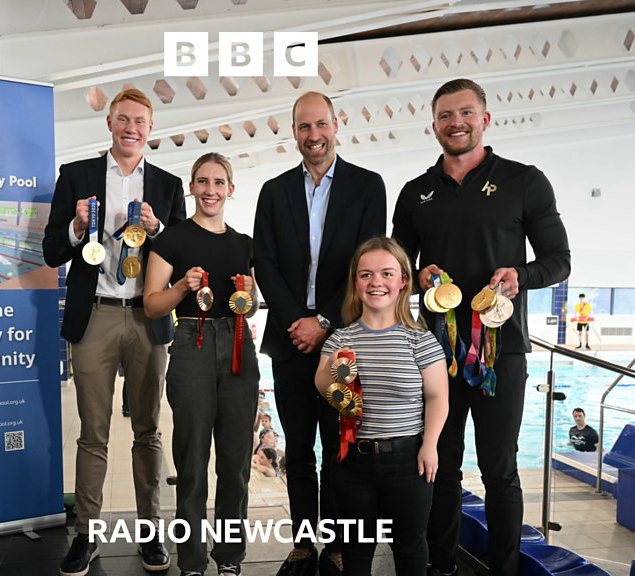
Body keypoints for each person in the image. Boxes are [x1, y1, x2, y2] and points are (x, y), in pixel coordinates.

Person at [392, 78, 570, 576]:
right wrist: (415, 276)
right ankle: (440, 566)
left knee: (500, 470)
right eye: (446, 116)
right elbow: (395, 268)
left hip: (502, 351)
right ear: (434, 125)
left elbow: (559, 261)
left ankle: (504, 570)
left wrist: (521, 276)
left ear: (485, 119)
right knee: (440, 467)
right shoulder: (415, 192)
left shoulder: (524, 181)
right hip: (437, 351)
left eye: (466, 113)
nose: (456, 123)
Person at [42, 88, 186, 576]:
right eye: (123, 119)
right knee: (93, 433)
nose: (131, 128)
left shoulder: (167, 184)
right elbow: (50, 251)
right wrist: (76, 227)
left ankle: (151, 532)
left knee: (147, 430)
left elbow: (182, 255)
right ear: (109, 123)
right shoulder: (76, 177)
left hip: (147, 317)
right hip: (95, 315)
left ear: (151, 128)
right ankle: (87, 536)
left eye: (140, 121)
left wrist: (160, 230)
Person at [254, 91, 388, 576]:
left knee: (338, 446)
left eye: (320, 125)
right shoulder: (274, 191)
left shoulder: (368, 186)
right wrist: (299, 323)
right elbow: (263, 262)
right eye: (304, 127)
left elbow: (367, 260)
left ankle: (334, 543)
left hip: (344, 336)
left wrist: (326, 322)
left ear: (337, 124)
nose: (313, 136)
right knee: (299, 446)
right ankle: (305, 543)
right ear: (294, 132)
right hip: (291, 338)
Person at [143, 152, 259, 576]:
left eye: (219, 182)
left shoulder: (244, 244)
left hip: (238, 345)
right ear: (191, 187)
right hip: (192, 340)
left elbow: (253, 304)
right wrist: (180, 287)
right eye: (202, 181)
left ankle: (229, 557)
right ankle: (191, 560)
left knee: (235, 461)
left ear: (231, 189)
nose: (211, 190)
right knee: (192, 460)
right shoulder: (171, 239)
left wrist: (252, 291)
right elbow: (153, 305)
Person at [315, 237, 449, 576]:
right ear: (355, 282)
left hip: (408, 461)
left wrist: (430, 445)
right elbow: (321, 384)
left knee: (409, 545)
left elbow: (437, 397)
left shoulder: (419, 339)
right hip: (353, 463)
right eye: (366, 275)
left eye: (387, 274)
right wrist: (337, 372)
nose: (376, 282)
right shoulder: (340, 339)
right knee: (356, 550)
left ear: (403, 280)